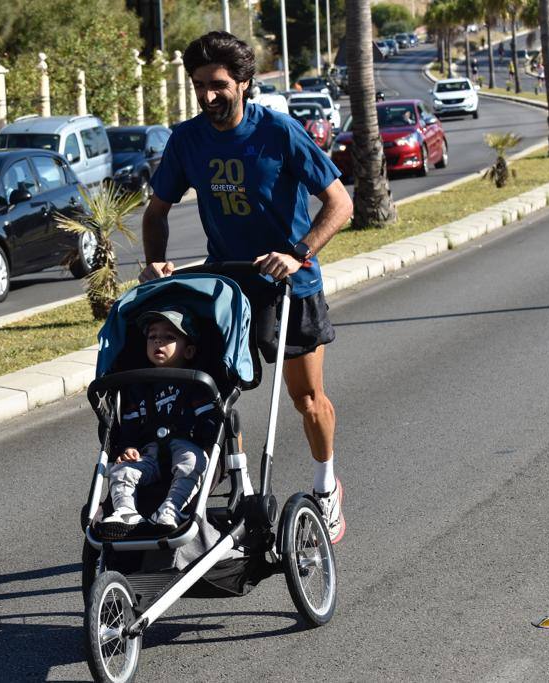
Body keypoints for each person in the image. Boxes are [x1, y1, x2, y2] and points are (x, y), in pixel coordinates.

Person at [139, 32, 353, 544]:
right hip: (228, 288)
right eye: (199, 87)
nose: (208, 97)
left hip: (290, 286)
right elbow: (157, 211)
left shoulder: (279, 133)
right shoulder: (187, 141)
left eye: (218, 86)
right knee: (216, 397)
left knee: (306, 398)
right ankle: (243, 495)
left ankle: (326, 488)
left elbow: (339, 204)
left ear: (244, 84)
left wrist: (297, 252)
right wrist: (154, 263)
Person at [100, 310, 219, 538]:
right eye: (152, 336)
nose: (158, 340)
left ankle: (170, 509)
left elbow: (210, 423)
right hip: (149, 454)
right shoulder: (140, 387)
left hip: (185, 445)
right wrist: (128, 448)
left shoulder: (195, 384)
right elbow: (130, 426)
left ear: (189, 350)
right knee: (121, 469)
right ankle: (125, 511)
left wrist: (206, 444)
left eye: (169, 337)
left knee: (193, 463)